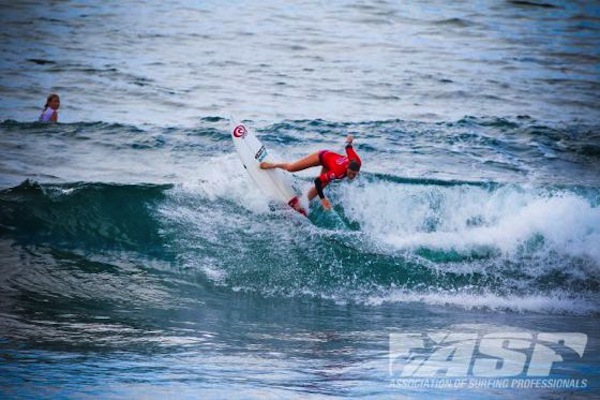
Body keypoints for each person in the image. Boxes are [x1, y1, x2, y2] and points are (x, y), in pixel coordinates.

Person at [260, 135, 361, 210]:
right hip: (321, 156)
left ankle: (300, 204)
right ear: (347, 167)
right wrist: (323, 199)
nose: (352, 176)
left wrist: (349, 141)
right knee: (291, 168)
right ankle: (272, 165)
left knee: (319, 188)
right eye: (350, 173)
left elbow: (348, 147)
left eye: (354, 174)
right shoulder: (337, 172)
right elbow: (317, 181)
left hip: (330, 163)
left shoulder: (356, 161)